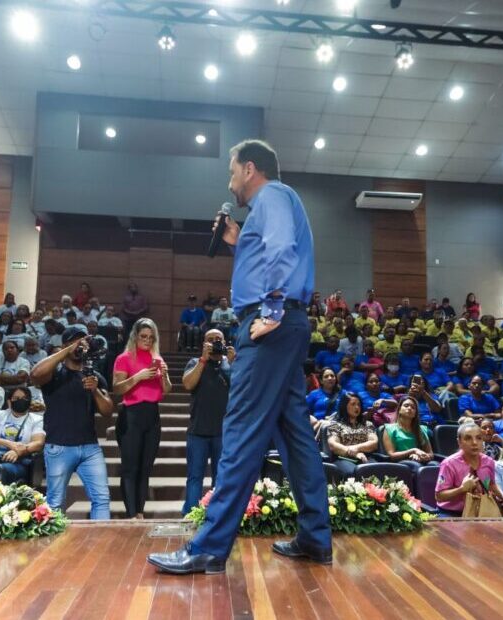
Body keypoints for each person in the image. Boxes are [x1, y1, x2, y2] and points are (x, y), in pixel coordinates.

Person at [150, 139, 330, 575]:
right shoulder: (268, 207)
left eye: (232, 171)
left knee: (241, 432)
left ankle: (209, 547)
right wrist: (237, 239)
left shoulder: (273, 195)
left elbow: (283, 249)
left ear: (250, 169)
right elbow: (268, 251)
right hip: (284, 325)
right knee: (293, 436)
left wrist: (269, 309)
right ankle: (315, 537)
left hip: (268, 326)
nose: (230, 181)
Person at [32, 326, 115, 519]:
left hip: (90, 448)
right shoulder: (55, 374)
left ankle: (100, 546)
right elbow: (35, 374)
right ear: (65, 345)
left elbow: (107, 411)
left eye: (83, 341)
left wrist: (94, 390)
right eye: (74, 341)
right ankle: (53, 547)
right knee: (55, 502)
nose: (80, 345)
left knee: (101, 498)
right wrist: (65, 352)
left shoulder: (93, 375)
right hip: (59, 446)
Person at [113, 318, 171, 520]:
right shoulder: (124, 358)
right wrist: (138, 376)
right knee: (130, 467)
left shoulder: (157, 358)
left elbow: (167, 390)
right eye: (143, 336)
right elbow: (117, 388)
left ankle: (139, 511)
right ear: (135, 336)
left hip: (152, 415)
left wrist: (163, 376)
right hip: (131, 416)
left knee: (146, 467)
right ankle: (131, 514)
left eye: (150, 337)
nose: (147, 340)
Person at [181, 329, 234, 514]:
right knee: (195, 478)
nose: (214, 343)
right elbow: (188, 384)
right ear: (203, 344)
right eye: (210, 340)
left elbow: (240, 389)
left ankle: (215, 516)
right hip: (198, 432)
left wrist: (231, 362)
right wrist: (203, 359)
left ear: (225, 342)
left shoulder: (230, 365)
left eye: (218, 339)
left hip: (223, 433)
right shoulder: (195, 362)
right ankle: (190, 516)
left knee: (220, 479)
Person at [0, 386, 45, 483]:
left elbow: (39, 443)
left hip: (19, 461)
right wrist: (10, 444)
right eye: (16, 398)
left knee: (0, 469)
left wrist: (18, 451)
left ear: (30, 401)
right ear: (9, 402)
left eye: (24, 398)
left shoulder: (37, 419)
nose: (20, 401)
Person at [435, 423, 500, 516]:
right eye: (468, 438)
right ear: (459, 442)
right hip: (452, 513)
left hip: (481, 509)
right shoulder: (448, 464)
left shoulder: (489, 462)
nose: (474, 442)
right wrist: (462, 489)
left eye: (478, 438)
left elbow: (491, 485)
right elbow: (439, 496)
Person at [325, 392, 377, 479]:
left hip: (366, 457)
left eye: (358, 404)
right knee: (352, 473)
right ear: (344, 406)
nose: (357, 407)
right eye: (353, 404)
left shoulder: (367, 424)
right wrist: (354, 453)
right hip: (343, 458)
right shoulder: (335, 425)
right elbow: (333, 445)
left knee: (378, 470)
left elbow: (374, 443)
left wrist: (356, 448)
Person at [381, 396, 435, 474]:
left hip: (419, 460)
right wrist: (413, 451)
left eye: (413, 407)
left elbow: (430, 453)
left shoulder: (421, 429)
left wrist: (423, 457)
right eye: (406, 405)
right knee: (417, 467)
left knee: (435, 465)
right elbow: (392, 455)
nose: (409, 408)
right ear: (399, 409)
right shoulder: (389, 429)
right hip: (400, 462)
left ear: (415, 413)